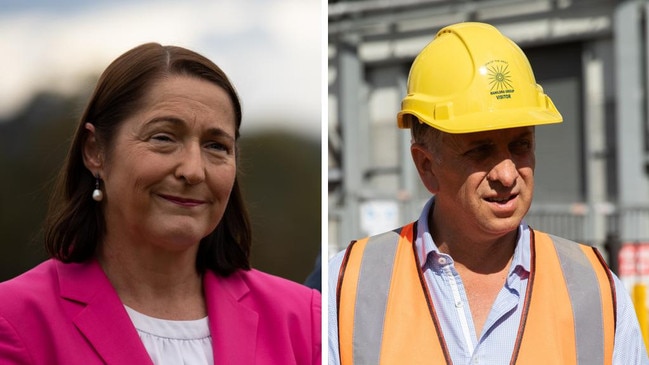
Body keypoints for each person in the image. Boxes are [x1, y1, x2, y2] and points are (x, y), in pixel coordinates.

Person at [329, 22, 649, 364]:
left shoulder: (596, 290)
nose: (508, 174)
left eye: (520, 145)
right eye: (480, 151)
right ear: (426, 166)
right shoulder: (348, 287)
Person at [0, 43, 321, 365]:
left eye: (216, 146)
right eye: (163, 138)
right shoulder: (15, 319)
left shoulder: (304, 319)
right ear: (95, 151)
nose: (193, 170)